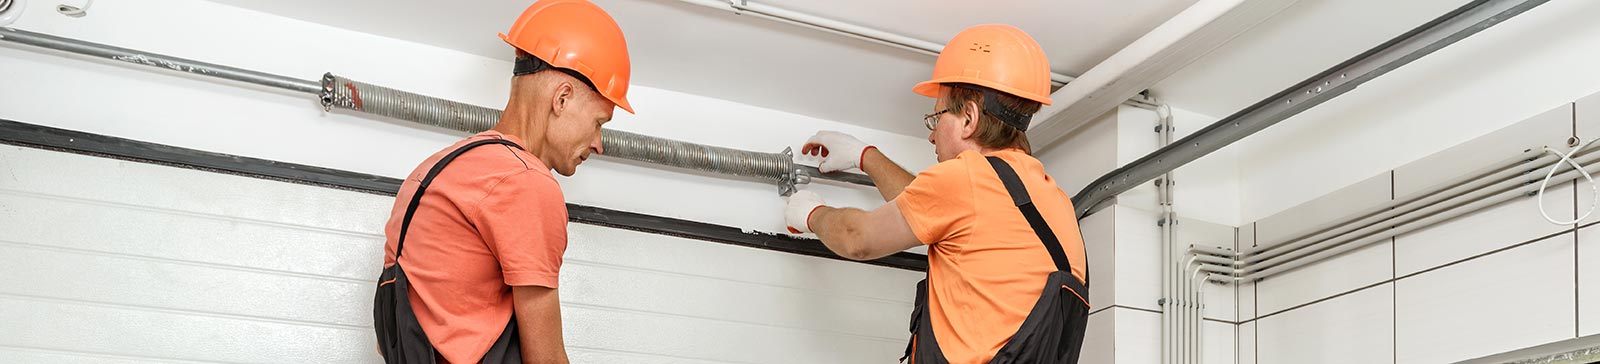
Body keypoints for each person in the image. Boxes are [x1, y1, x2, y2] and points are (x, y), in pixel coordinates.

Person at [784, 24, 1091, 364]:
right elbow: (931, 209)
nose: (931, 137)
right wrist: (865, 157)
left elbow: (857, 237)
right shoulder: (1053, 199)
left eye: (936, 118)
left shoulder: (968, 177)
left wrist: (809, 213)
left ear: (969, 118)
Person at [371, 1, 633, 363]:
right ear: (562, 99)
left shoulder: (434, 169)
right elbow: (547, 359)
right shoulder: (525, 183)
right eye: (599, 122)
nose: (598, 144)